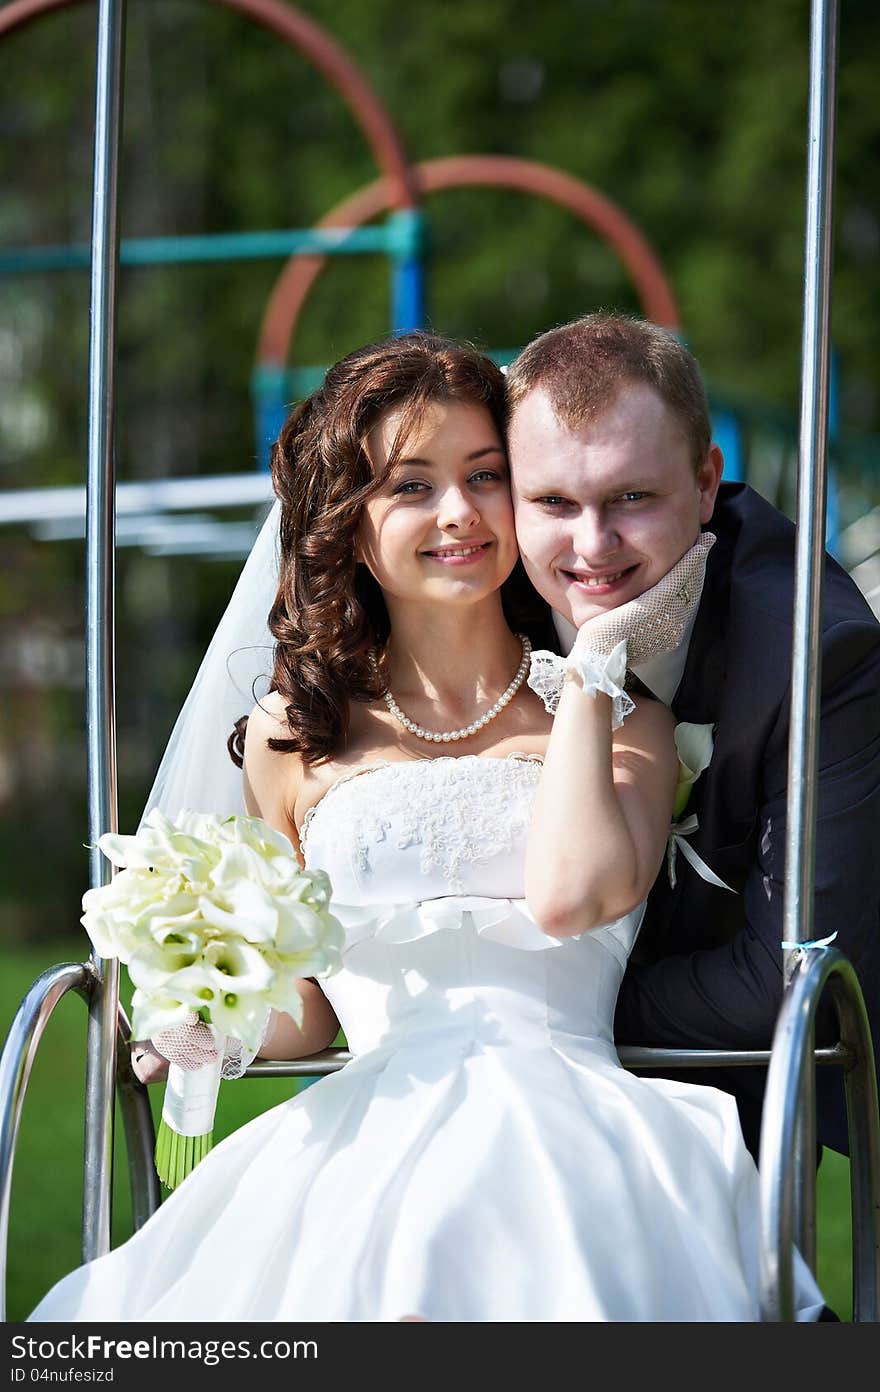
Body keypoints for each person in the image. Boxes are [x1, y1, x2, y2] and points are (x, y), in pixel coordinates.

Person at [29, 332, 823, 1322]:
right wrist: (208, 1014)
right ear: (348, 526)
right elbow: (308, 1012)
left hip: (569, 1116)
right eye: (410, 485)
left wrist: (593, 665)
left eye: (484, 475)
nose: (457, 514)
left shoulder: (625, 720)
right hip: (372, 1124)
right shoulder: (290, 740)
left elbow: (577, 895)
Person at [506, 312, 880, 1162]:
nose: (591, 546)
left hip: (718, 1106)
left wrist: (537, 1003)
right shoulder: (468, 608)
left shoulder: (814, 652)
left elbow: (792, 976)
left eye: (632, 497)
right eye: (554, 502)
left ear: (708, 484)